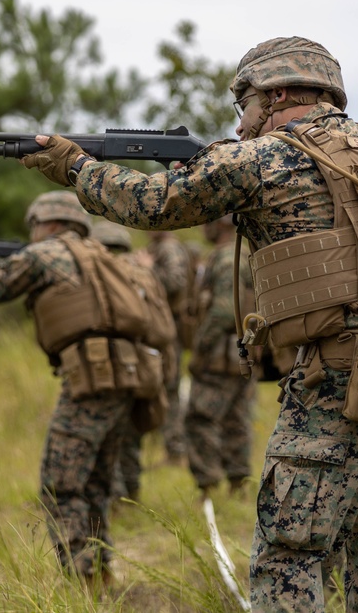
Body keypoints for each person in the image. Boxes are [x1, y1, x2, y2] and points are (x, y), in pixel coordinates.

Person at [21, 36, 358, 612]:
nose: (242, 122)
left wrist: (75, 166)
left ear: (273, 96)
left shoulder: (264, 156)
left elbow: (154, 204)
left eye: (243, 104)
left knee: (289, 556)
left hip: (341, 377)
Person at [0, 190, 139, 589]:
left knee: (60, 484)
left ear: (50, 223)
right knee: (95, 482)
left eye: (36, 225)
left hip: (88, 377)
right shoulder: (99, 254)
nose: (33, 233)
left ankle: (84, 579)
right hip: (124, 374)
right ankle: (103, 572)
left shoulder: (44, 254)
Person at [91, 220, 178, 504]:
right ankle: (132, 491)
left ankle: (115, 498)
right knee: (131, 433)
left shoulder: (101, 271)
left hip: (113, 362)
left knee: (108, 432)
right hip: (147, 365)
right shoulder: (145, 273)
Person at [184, 216, 257, 500]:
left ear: (223, 224)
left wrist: (200, 348)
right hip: (242, 352)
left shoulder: (228, 259)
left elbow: (226, 311)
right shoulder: (243, 255)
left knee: (200, 417)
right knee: (236, 418)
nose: (204, 225)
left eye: (209, 220)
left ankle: (208, 486)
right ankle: (238, 483)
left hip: (220, 354)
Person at [144, 230, 193, 466]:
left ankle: (175, 450)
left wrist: (146, 269)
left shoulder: (168, 248)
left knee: (169, 388)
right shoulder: (162, 247)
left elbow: (175, 281)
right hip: (164, 325)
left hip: (168, 326)